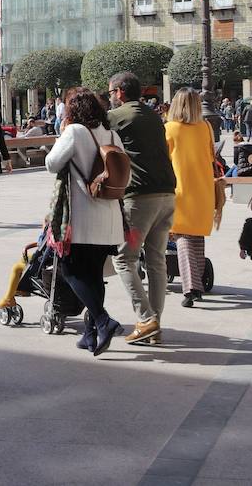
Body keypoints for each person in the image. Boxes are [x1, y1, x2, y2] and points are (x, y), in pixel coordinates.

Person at [44, 87, 128, 355]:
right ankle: (90, 334)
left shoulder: (75, 132)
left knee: (71, 271)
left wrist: (64, 132)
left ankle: (104, 321)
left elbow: (52, 163)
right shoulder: (112, 134)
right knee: (93, 275)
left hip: (83, 219)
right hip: (110, 215)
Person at [106, 71, 177, 346]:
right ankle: (154, 323)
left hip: (140, 199)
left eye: (110, 93)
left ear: (120, 92)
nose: (110, 98)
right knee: (157, 260)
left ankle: (146, 318)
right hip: (167, 195)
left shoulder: (120, 116)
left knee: (124, 259)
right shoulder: (153, 115)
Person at [166, 89, 221, 309]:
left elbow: (164, 160)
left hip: (181, 189)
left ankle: (191, 287)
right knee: (196, 237)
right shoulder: (206, 127)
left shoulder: (169, 129)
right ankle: (196, 281)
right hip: (204, 188)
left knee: (183, 239)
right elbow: (210, 156)